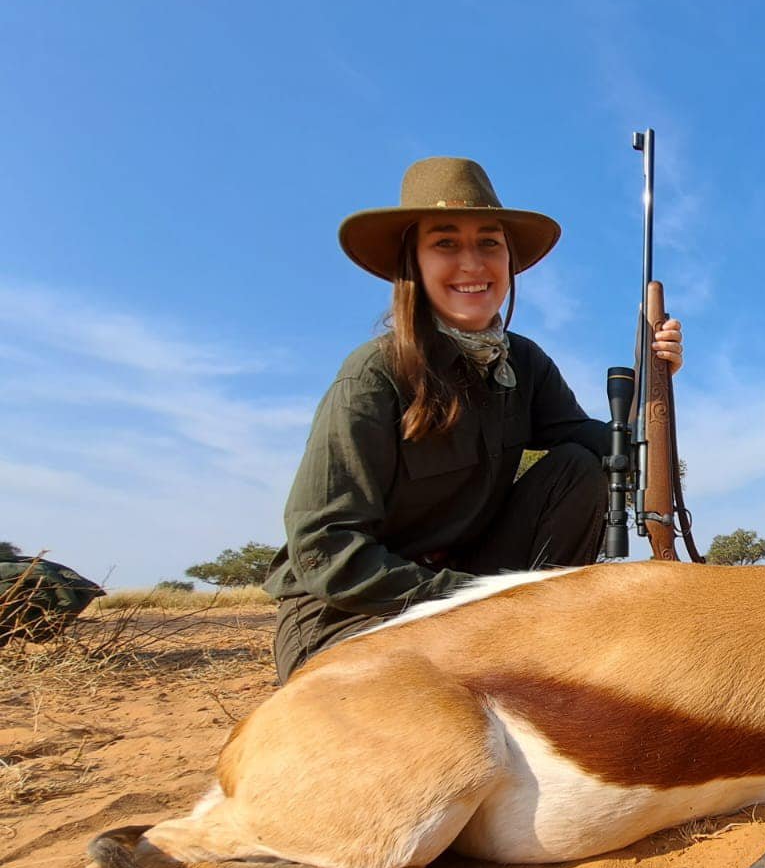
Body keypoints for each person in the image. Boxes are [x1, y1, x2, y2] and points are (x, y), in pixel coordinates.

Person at [264, 156, 683, 683]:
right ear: (411, 264)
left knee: (578, 466)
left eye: (489, 243)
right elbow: (324, 548)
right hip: (351, 615)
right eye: (445, 243)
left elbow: (612, 448)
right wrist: (475, 602)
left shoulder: (523, 362)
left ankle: (539, 645)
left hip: (469, 599)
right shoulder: (372, 376)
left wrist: (657, 383)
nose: (472, 263)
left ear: (509, 260)